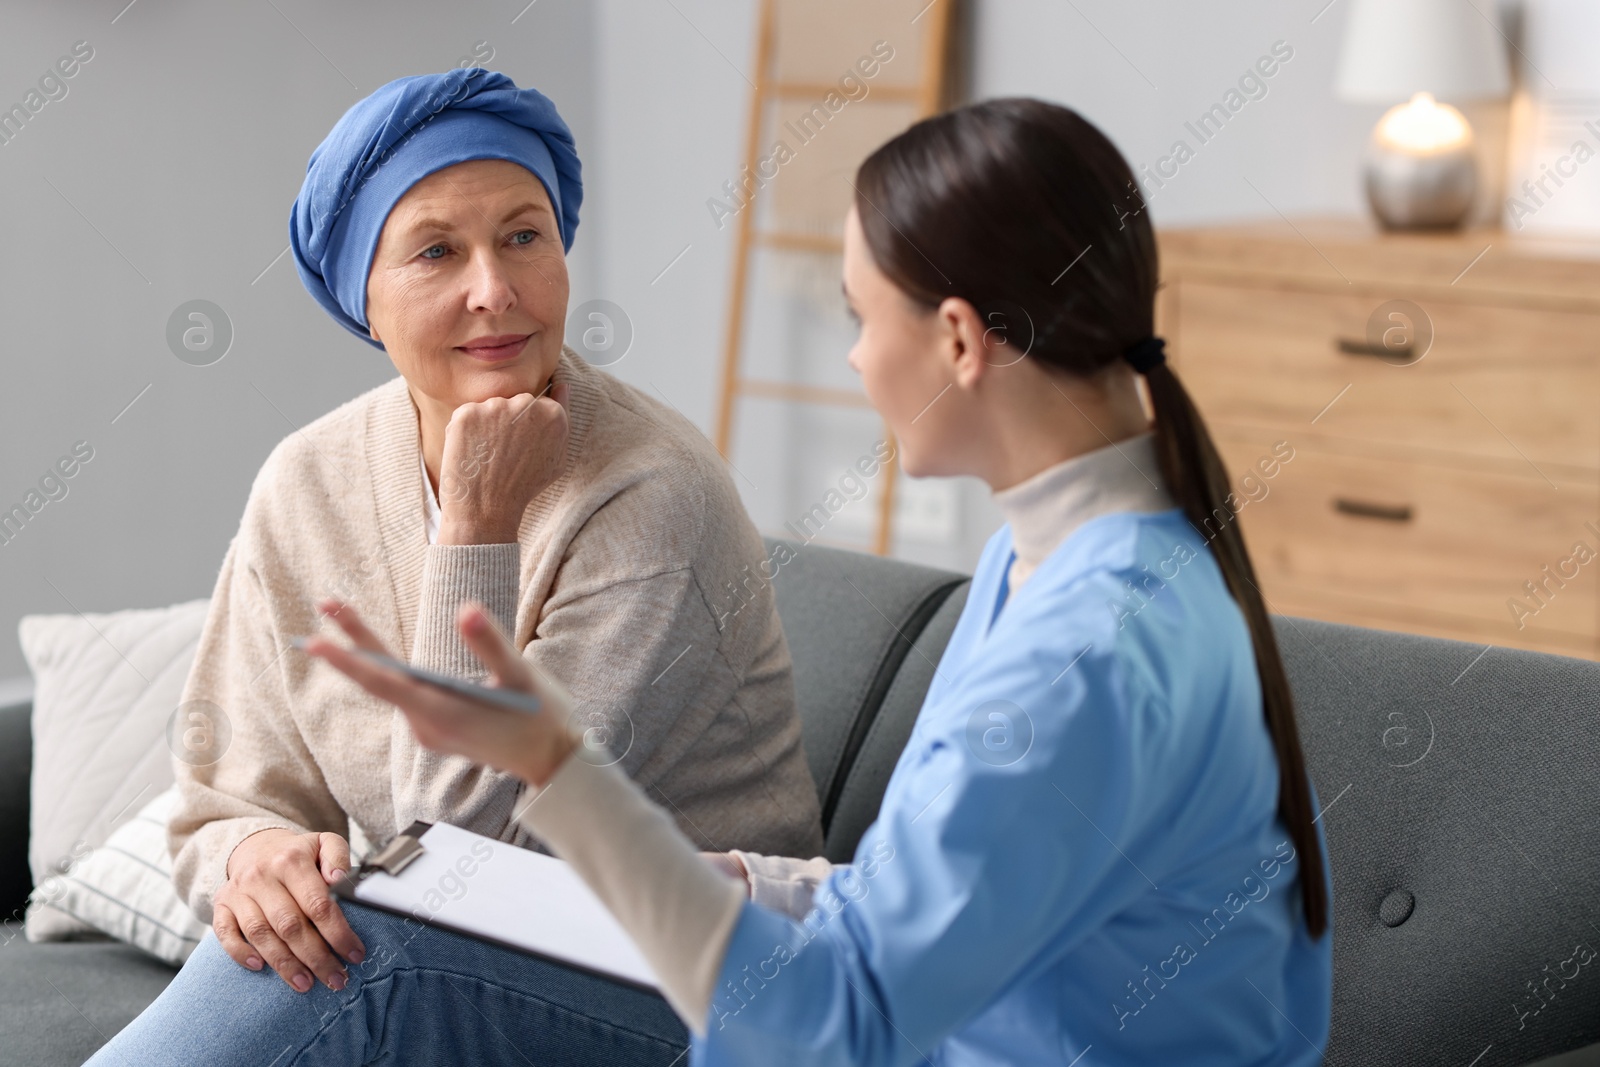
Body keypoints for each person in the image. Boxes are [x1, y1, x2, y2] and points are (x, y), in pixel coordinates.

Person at [303, 97, 1335, 1065]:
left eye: (858, 314)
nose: (851, 359)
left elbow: (824, 1028)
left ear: (960, 339)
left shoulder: (1085, 651)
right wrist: (740, 880)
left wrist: (556, 766)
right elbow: (925, 907)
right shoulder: (1067, 561)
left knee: (362, 972)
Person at [87, 68, 821, 1066]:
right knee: (304, 939)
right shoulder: (307, 481)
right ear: (366, 303)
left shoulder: (651, 494)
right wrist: (253, 861)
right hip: (464, 949)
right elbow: (227, 791)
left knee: (364, 944)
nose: (496, 288)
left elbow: (472, 862)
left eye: (525, 235)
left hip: (707, 988)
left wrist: (476, 525)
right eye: (436, 251)